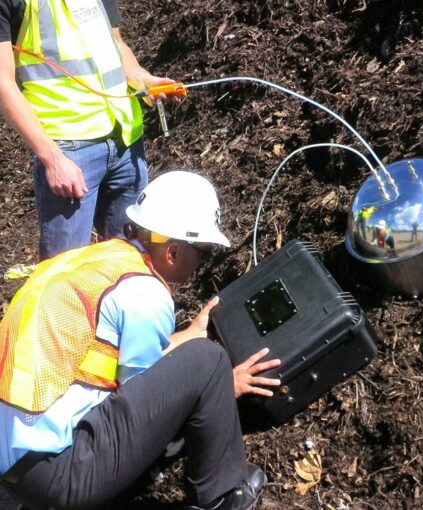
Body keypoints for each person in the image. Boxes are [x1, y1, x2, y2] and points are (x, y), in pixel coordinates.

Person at [0, 171, 282, 510]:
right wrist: (223, 384)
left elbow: (113, 360)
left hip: (16, 464)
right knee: (211, 362)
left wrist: (189, 334)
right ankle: (222, 499)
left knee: (199, 357)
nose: (202, 263)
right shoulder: (146, 292)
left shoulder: (99, 261)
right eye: (203, 253)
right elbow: (145, 399)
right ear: (174, 252)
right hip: (57, 479)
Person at [0, 0, 177, 260]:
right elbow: (3, 83)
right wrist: (52, 158)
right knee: (65, 273)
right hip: (70, 149)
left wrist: (144, 79)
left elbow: (115, 44)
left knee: (129, 261)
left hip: (126, 139)